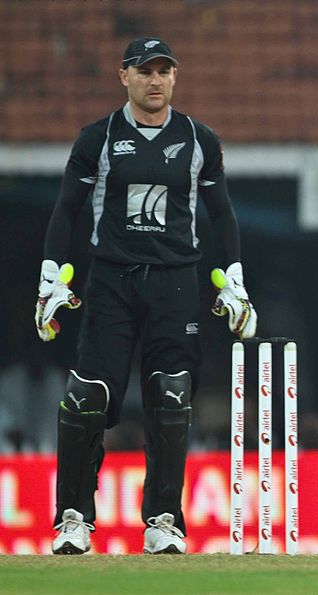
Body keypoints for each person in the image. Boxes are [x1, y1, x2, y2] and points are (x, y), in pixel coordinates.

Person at [35, 37, 257, 555]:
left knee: (171, 394)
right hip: (111, 278)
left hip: (176, 280)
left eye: (163, 71)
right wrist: (50, 278)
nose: (154, 81)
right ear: (124, 76)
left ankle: (163, 520)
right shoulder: (99, 138)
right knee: (87, 396)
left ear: (174, 77)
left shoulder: (200, 140)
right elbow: (66, 209)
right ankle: (73, 519)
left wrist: (235, 278)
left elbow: (222, 214)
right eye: (144, 71)